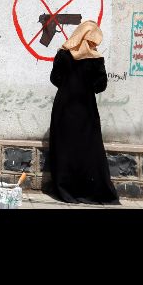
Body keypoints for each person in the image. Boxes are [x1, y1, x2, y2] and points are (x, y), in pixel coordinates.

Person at [47, 20, 120, 205]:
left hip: (63, 108)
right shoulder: (96, 59)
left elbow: (55, 78)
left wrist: (68, 85)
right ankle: (89, 189)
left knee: (64, 147)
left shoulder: (63, 54)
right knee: (88, 149)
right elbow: (100, 86)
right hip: (86, 109)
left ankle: (65, 190)